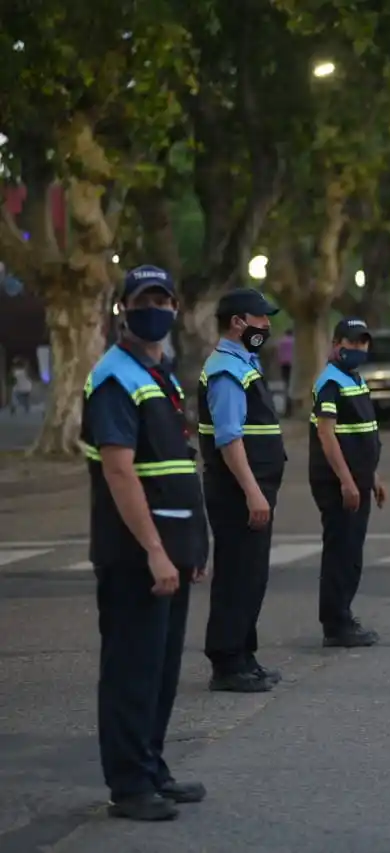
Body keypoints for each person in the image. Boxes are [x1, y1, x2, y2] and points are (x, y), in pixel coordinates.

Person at [81, 265, 208, 821]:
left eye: (162, 300)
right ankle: (130, 785)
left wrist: (192, 547)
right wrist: (155, 551)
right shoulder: (115, 378)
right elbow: (119, 471)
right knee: (133, 671)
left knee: (160, 671)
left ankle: (152, 768)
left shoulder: (161, 375)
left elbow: (177, 466)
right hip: (134, 552)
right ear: (123, 310)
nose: (153, 310)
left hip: (171, 549)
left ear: (175, 309)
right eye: (142, 301)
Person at [197, 288, 287, 692]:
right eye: (261, 318)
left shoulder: (242, 362)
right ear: (238, 322)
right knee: (237, 575)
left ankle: (244, 656)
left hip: (250, 487)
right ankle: (227, 662)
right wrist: (252, 491)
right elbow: (229, 438)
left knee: (251, 575)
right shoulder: (226, 371)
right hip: (236, 490)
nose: (266, 325)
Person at [310, 318, 388, 647]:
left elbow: (363, 432)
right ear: (336, 344)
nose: (358, 348)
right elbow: (326, 434)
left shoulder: (355, 379)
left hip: (359, 479)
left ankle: (343, 614)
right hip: (337, 482)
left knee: (352, 550)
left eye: (362, 342)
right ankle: (335, 623)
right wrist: (345, 480)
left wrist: (372, 477)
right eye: (351, 342)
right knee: (341, 551)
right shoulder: (330, 382)